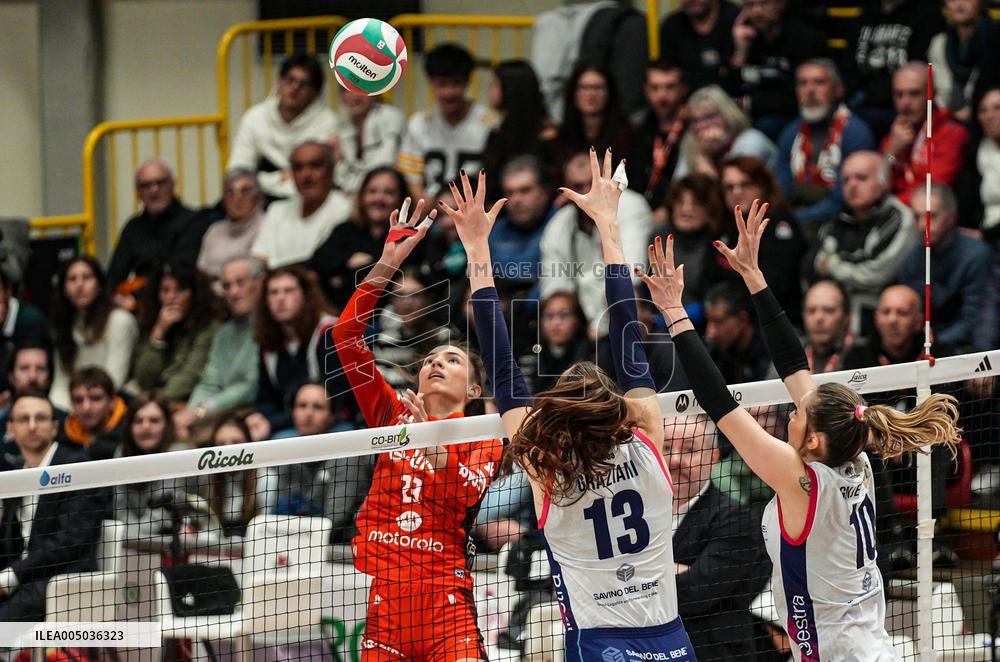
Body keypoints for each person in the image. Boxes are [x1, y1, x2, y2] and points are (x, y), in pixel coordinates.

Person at [639, 198, 961, 661]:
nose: (790, 411)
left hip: (841, 652)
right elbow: (796, 365)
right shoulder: (851, 452)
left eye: (796, 415)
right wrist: (753, 275)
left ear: (811, 440)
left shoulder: (804, 478)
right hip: (862, 641)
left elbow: (719, 402)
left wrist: (673, 311)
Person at [445, 160, 695, 660]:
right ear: (618, 411)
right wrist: (608, 223)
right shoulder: (646, 442)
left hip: (598, 644)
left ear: (557, 418)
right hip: (671, 640)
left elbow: (501, 364)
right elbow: (627, 326)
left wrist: (476, 249)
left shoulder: (548, 471)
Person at [330, 197, 503, 661]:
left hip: (446, 607)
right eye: (429, 359)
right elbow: (344, 338)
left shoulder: (484, 432)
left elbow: (464, 495)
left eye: (451, 359)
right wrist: (389, 261)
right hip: (386, 607)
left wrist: (434, 443)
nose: (435, 363)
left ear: (472, 388)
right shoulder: (392, 414)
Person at [664, 415, 770, 661]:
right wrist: (672, 570)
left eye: (689, 449)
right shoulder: (636, 514)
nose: (675, 460)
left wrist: (640, 576)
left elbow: (694, 592)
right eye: (667, 447)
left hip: (713, 654)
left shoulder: (736, 517)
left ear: (713, 457)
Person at [0, 393, 107, 621]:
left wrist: (11, 576)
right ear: (10, 428)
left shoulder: (79, 469)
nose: (32, 426)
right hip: (24, 577)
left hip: (62, 581)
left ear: (54, 426)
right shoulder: (15, 475)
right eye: (23, 419)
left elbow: (68, 543)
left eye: (40, 418)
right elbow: (9, 543)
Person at [539, 150, 652, 340]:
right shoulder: (559, 224)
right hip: (581, 324)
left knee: (626, 296)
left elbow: (631, 275)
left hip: (624, 315)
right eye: (577, 186)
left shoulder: (631, 206)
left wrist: (601, 328)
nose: (586, 191)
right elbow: (553, 286)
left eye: (591, 183)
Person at [804, 151, 916, 335]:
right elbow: (815, 263)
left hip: (884, 319)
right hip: (839, 317)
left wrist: (834, 265)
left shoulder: (899, 218)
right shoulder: (839, 218)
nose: (852, 185)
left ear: (884, 182)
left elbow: (876, 274)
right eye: (846, 180)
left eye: (862, 178)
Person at [775, 59, 876, 226]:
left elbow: (845, 198)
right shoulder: (790, 133)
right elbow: (780, 188)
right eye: (802, 83)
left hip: (839, 221)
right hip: (796, 218)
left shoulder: (855, 133)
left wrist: (797, 219)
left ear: (838, 90)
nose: (810, 90)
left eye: (819, 82)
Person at [270, 383, 373, 543]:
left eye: (318, 407)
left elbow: (336, 518)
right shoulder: (287, 451)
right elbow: (279, 511)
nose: (308, 413)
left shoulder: (347, 455)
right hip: (292, 541)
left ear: (332, 415)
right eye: (302, 406)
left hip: (339, 544)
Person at [174, 256, 262, 443]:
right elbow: (209, 382)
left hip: (249, 411)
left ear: (260, 282)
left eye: (240, 283)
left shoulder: (266, 328)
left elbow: (250, 385)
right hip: (218, 410)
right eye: (227, 286)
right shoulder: (223, 332)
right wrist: (191, 412)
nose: (233, 292)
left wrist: (200, 412)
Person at [227, 54, 338, 200]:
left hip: (305, 200)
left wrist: (261, 179)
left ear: (315, 91)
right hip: (258, 199)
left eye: (304, 83)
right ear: (279, 81)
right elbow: (237, 172)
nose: (295, 88)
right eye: (290, 80)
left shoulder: (327, 122)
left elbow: (318, 181)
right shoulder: (255, 117)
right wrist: (280, 177)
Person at [247, 265, 337, 442]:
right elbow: (266, 399)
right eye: (273, 292)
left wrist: (272, 423)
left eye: (289, 291)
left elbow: (337, 400)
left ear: (306, 295)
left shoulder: (330, 332)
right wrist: (261, 420)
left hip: (334, 427)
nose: (280, 298)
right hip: (290, 428)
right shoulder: (268, 345)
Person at [898, 184, 990, 353]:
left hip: (964, 349)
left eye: (931, 216)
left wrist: (931, 343)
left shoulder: (976, 256)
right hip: (922, 346)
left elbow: (975, 319)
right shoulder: (912, 257)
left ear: (952, 217)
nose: (921, 225)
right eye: (917, 217)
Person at [397, 43, 495, 199]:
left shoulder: (489, 124)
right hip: (431, 212)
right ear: (430, 82)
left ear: (467, 82)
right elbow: (411, 178)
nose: (449, 92)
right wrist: (424, 204)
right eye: (442, 84)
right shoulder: (419, 124)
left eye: (456, 83)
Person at [308, 167, 414, 310]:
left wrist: (341, 277)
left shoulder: (411, 235)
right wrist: (348, 260)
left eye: (388, 192)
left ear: (401, 199)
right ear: (362, 196)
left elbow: (396, 282)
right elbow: (319, 258)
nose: (379, 198)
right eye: (372, 191)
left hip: (387, 317)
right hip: (339, 313)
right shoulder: (346, 229)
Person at [720, 156, 806, 322]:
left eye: (745, 184)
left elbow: (776, 285)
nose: (736, 192)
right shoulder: (723, 225)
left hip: (780, 319)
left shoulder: (781, 223)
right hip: (731, 320)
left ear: (762, 185)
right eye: (729, 187)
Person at [726, 0, 828, 140]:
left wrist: (750, 103)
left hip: (789, 116)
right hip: (749, 114)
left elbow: (802, 94)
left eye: (764, 4)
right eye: (750, 6)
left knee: (765, 126)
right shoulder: (742, 36)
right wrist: (740, 51)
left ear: (780, 4)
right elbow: (728, 89)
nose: (756, 12)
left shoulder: (804, 38)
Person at [844, 0, 946, 139]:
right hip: (862, 103)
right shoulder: (863, 17)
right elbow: (849, 68)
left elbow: (919, 72)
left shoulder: (927, 16)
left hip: (902, 107)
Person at [49, 257, 139, 412]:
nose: (79, 285)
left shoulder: (119, 321)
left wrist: (84, 405)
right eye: (72, 279)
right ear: (64, 289)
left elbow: (114, 381)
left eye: (87, 277)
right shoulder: (63, 326)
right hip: (76, 407)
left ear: (99, 285)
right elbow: (60, 383)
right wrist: (59, 412)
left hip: (116, 404)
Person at [107, 158, 204, 295]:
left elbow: (178, 272)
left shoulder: (193, 221)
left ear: (172, 185)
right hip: (138, 303)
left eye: (160, 183)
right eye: (146, 185)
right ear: (138, 193)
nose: (154, 190)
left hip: (180, 299)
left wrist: (134, 296)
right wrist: (117, 298)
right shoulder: (133, 227)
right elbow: (114, 275)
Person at [251, 140, 352, 268]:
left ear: (331, 171)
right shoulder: (277, 210)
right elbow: (259, 258)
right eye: (298, 168)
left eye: (315, 166)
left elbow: (321, 263)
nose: (306, 175)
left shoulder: (344, 209)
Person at [130, 261, 219, 405]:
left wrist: (154, 401)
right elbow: (144, 379)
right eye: (165, 290)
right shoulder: (153, 321)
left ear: (194, 293)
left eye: (180, 289)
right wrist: (159, 333)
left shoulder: (208, 326)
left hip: (187, 401)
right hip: (153, 399)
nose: (171, 297)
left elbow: (189, 378)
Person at [881, 62, 970, 205]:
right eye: (899, 95)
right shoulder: (895, 134)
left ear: (933, 94)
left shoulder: (951, 134)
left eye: (914, 94)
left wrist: (889, 207)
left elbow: (931, 193)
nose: (905, 103)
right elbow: (877, 184)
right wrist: (892, 151)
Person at [648, 174, 732, 317]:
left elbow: (723, 295)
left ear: (710, 209)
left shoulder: (720, 242)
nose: (686, 209)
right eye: (680, 202)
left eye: (697, 203)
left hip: (707, 326)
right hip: (659, 321)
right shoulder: (659, 236)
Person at [112, 397, 191, 542]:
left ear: (167, 425)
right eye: (138, 421)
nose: (146, 426)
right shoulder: (121, 453)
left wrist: (133, 537)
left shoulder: (178, 454)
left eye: (154, 420)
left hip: (170, 539)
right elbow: (120, 507)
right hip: (129, 540)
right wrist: (130, 537)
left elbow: (163, 512)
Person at [481, 60, 557, 202]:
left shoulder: (548, 136)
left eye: (494, 85)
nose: (489, 91)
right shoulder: (499, 132)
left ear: (511, 88)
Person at [628, 60, 690, 222]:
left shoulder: (694, 128)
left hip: (678, 213)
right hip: (638, 210)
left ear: (683, 89)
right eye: (655, 88)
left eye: (670, 87)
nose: (662, 95)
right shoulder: (638, 128)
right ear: (646, 91)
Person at [487, 156, 556, 298]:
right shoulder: (493, 231)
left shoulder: (560, 225)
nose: (516, 200)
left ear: (544, 193)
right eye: (510, 193)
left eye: (525, 191)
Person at [674, 85, 776, 180]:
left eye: (710, 116)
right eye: (695, 120)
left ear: (727, 114)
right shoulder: (692, 144)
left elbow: (736, 194)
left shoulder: (751, 142)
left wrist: (704, 160)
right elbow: (678, 192)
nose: (701, 126)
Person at [198, 416, 276, 538]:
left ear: (248, 443)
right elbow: (208, 529)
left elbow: (267, 530)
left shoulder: (267, 479)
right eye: (221, 443)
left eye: (236, 442)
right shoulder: (207, 479)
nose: (228, 449)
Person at [928, 0, 1000, 123]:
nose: (959, 4)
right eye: (952, 0)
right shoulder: (939, 44)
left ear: (981, 3)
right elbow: (941, 90)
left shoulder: (995, 37)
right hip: (948, 118)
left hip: (987, 117)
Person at [553, 64, 634, 169]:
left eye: (597, 88)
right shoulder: (562, 137)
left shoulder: (625, 135)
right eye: (584, 87)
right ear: (573, 93)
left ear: (609, 93)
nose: (591, 94)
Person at [196, 169, 264, 290]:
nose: (237, 198)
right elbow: (201, 273)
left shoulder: (266, 226)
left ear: (258, 197)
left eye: (245, 191)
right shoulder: (214, 230)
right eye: (230, 192)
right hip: (211, 298)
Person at [331, 88, 406, 195]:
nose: (354, 96)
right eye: (347, 90)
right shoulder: (342, 123)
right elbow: (339, 177)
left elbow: (381, 171)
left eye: (361, 89)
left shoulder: (390, 116)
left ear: (375, 93)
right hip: (354, 196)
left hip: (388, 193)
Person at [659, 0, 740, 93]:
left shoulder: (735, 19)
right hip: (687, 99)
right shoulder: (671, 26)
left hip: (733, 96)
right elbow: (667, 74)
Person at [703, 281, 773, 385]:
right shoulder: (712, 354)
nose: (710, 332)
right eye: (708, 321)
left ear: (743, 319)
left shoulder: (771, 352)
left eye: (718, 321)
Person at [802, 279, 876, 374]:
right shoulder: (791, 354)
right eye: (811, 310)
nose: (819, 318)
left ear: (846, 316)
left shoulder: (867, 355)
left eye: (829, 310)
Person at [58, 367, 128, 461]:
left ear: (112, 401)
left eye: (95, 398)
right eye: (78, 400)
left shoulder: (130, 436)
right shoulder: (60, 440)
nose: (86, 407)